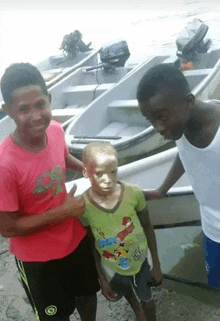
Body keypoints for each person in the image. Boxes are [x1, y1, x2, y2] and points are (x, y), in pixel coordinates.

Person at [0, 63, 100, 321]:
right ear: (7, 111)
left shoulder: (55, 129)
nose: (36, 116)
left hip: (74, 239)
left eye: (40, 105)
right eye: (23, 109)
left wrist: (86, 168)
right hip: (38, 261)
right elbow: (8, 228)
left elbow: (62, 156)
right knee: (55, 316)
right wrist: (61, 212)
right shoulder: (5, 165)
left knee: (87, 297)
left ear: (50, 100)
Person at [136, 63, 220, 289]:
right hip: (212, 230)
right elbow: (185, 154)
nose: (157, 127)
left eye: (160, 117)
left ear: (189, 102)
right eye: (151, 120)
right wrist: (162, 189)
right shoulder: (179, 125)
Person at [80, 142, 163, 321]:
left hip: (141, 260)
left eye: (113, 172)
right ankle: (137, 313)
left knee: (147, 297)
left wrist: (156, 263)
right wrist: (102, 278)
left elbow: (148, 227)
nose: (107, 179)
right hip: (112, 267)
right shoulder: (83, 206)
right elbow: (91, 244)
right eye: (99, 173)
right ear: (86, 172)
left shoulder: (133, 193)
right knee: (129, 295)